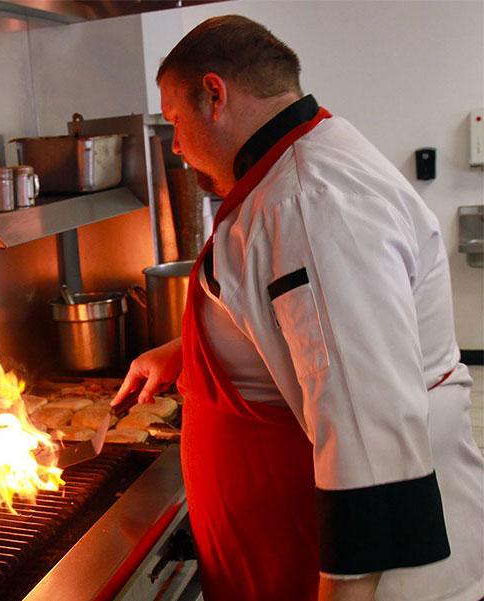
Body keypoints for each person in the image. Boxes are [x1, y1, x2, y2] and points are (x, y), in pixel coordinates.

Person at [113, 15, 484, 601]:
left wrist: (345, 592)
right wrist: (189, 352)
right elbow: (310, 325)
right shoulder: (298, 164)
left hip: (339, 560)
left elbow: (367, 426)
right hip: (279, 538)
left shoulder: (308, 203)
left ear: (215, 94)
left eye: (176, 121)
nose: (177, 145)